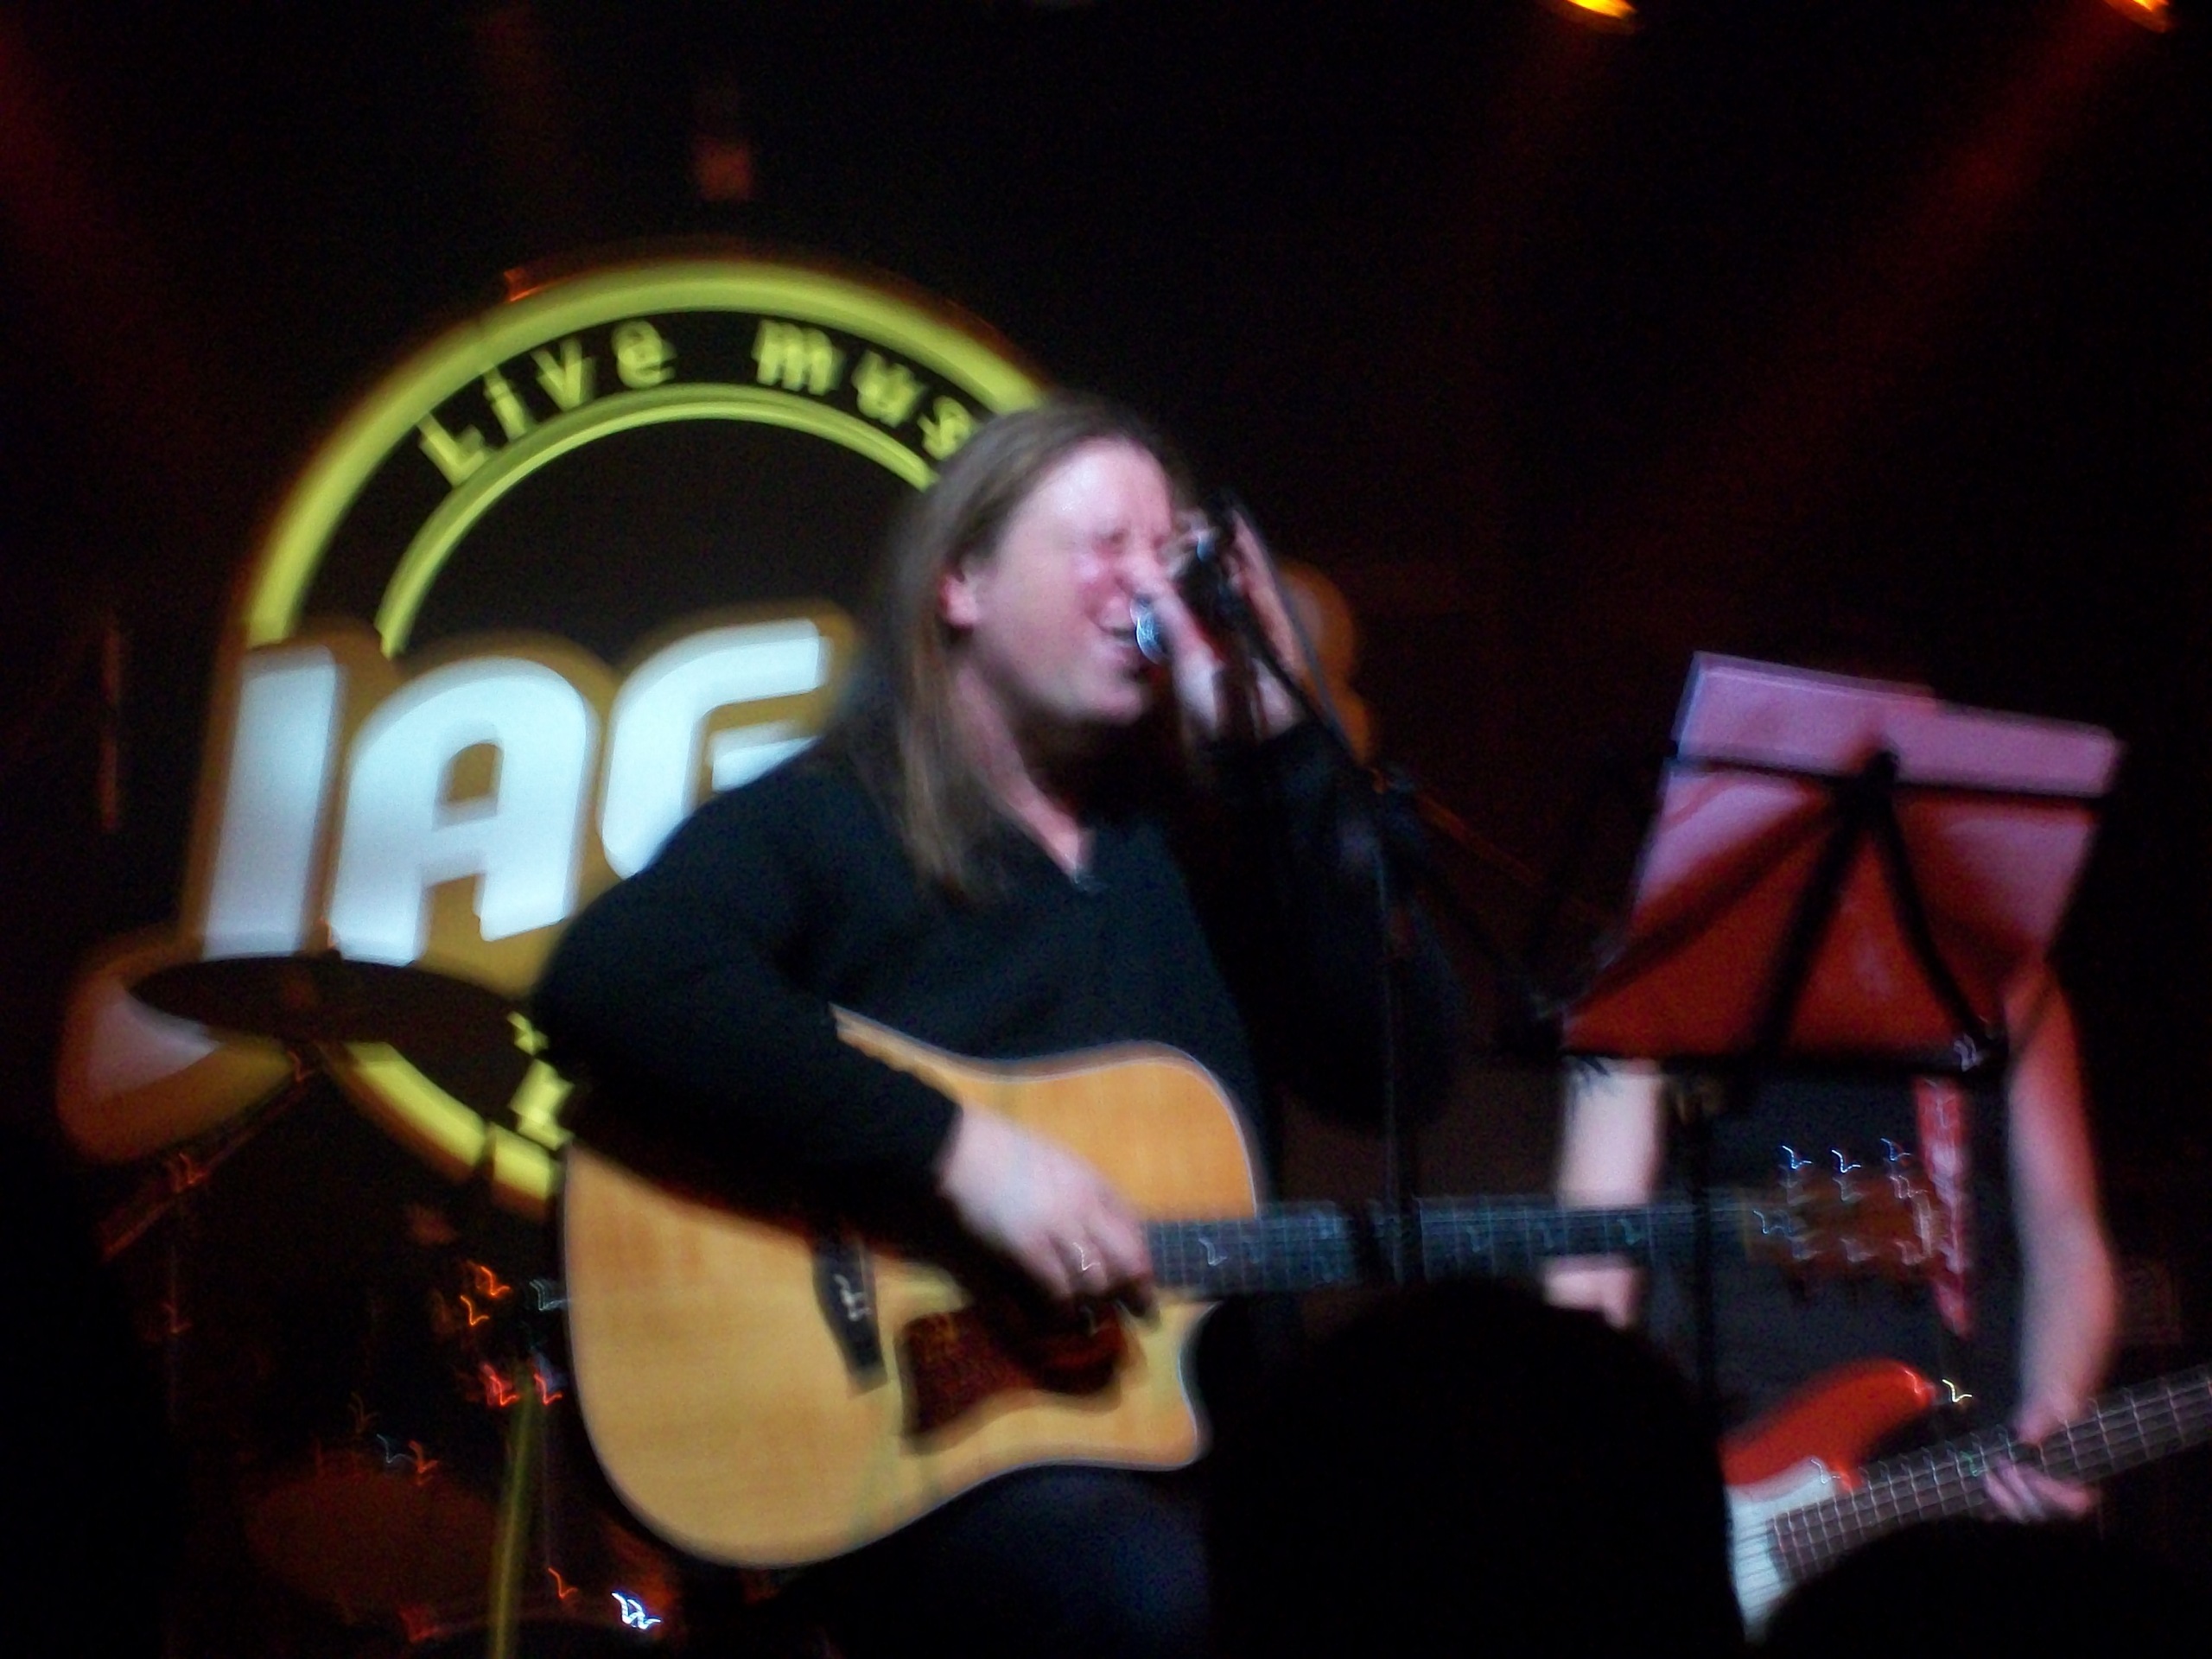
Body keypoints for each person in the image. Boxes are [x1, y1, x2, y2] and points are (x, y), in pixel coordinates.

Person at [531, 394, 1460, 1657]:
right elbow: (615, 977)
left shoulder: (1212, 836)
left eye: (1169, 555)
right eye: (1104, 546)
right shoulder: (833, 817)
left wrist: (1283, 759)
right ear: (960, 582)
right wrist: (959, 1154)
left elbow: (1397, 1073)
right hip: (934, 1470)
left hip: (1218, 1440)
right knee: (1151, 1598)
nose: (1149, 588)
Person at [1546, 964, 2120, 1526]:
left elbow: (2065, 1235)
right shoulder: (1659, 966)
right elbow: (1592, 1271)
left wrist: (2056, 1406)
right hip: (1737, 1461)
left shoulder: (2003, 971)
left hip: (1968, 1464)